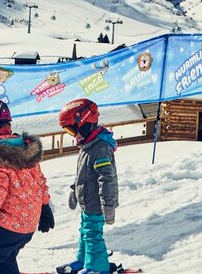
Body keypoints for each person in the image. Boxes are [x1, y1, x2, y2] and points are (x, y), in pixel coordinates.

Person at [0, 98, 53, 274]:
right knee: (5, 259)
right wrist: (45, 208)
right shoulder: (24, 148)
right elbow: (39, 181)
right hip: (28, 224)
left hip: (8, 225)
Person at [59, 99, 118, 274]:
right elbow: (83, 174)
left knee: (93, 235)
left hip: (98, 203)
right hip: (88, 201)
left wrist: (108, 205)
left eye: (72, 129)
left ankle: (97, 267)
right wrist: (74, 189)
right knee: (85, 230)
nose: (73, 135)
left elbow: (107, 179)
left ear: (84, 122)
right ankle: (83, 259)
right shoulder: (87, 145)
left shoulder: (100, 149)